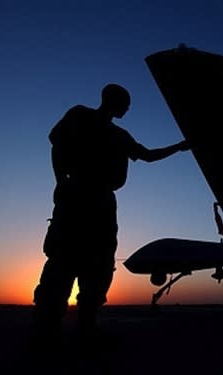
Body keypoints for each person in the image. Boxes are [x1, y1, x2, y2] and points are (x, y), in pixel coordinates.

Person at [31, 83, 189, 342]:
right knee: (63, 260)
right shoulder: (79, 115)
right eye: (125, 104)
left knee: (100, 264)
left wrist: (179, 147)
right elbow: (56, 145)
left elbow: (147, 155)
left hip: (103, 202)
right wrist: (61, 181)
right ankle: (46, 328)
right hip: (76, 196)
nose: (127, 109)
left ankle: (86, 325)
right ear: (113, 101)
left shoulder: (121, 136)